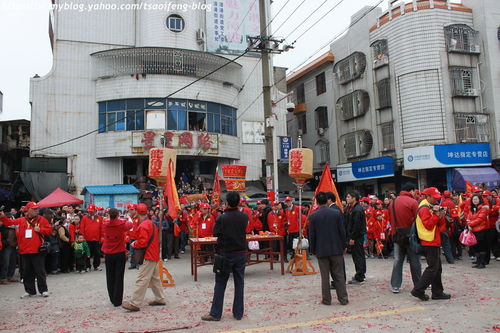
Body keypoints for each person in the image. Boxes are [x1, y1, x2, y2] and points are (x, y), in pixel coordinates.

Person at [201, 192, 248, 321]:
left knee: (220, 283)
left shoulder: (222, 218)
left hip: (226, 254)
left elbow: (215, 233)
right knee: (239, 283)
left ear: (227, 202)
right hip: (240, 253)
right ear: (238, 202)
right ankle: (238, 313)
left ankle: (216, 313)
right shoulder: (244, 216)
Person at [0, 202, 52, 298]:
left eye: (37, 209)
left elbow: (49, 230)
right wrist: (3, 216)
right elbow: (9, 223)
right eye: (34, 209)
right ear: (28, 210)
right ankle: (29, 291)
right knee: (26, 273)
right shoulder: (21, 220)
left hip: (37, 251)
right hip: (24, 251)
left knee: (40, 272)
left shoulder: (42, 220)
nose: (36, 210)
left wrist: (40, 229)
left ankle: (43, 290)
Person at [122, 203, 165, 311]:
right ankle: (160, 298)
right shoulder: (151, 223)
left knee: (142, 279)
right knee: (154, 278)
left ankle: (135, 303)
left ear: (137, 212)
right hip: (153, 254)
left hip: (147, 255)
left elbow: (142, 242)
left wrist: (134, 244)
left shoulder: (143, 225)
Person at [309, 192, 348, 306]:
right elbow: (342, 231)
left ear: (316, 201)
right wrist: (344, 246)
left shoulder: (313, 216)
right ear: (327, 200)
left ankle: (326, 300)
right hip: (336, 248)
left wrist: (313, 250)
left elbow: (312, 235)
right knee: (339, 275)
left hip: (321, 250)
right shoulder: (336, 213)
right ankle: (343, 299)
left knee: (325, 276)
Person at [411, 187, 450, 301]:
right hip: (429, 241)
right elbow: (428, 225)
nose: (437, 200)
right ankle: (418, 290)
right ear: (428, 197)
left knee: (437, 268)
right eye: (435, 198)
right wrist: (437, 215)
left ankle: (437, 292)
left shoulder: (430, 206)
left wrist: (440, 214)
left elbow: (440, 225)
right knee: (433, 268)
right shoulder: (424, 208)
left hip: (433, 240)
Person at [389, 183, 421, 294]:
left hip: (397, 235)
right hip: (410, 235)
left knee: (397, 261)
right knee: (415, 261)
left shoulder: (392, 202)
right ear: (411, 191)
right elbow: (418, 220)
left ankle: (395, 285)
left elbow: (391, 220)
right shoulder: (413, 202)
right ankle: (419, 284)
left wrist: (393, 233)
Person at [102, 208, 133, 307]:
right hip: (119, 252)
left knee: (110, 276)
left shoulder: (105, 224)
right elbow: (131, 225)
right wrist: (128, 217)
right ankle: (117, 300)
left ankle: (112, 298)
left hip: (108, 253)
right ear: (117, 215)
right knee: (119, 277)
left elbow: (106, 222)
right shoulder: (122, 224)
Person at [344, 191, 366, 284]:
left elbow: (356, 226)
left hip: (357, 236)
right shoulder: (349, 208)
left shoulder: (357, 209)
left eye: (349, 197)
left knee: (358, 256)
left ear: (354, 198)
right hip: (352, 235)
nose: (347, 198)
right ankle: (359, 273)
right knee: (356, 256)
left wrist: (352, 237)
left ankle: (360, 276)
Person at [465, 194, 489, 269]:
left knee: (481, 247)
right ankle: (478, 262)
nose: (475, 201)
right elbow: (468, 218)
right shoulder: (471, 208)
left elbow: (479, 219)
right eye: (473, 199)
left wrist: (469, 224)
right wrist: (469, 224)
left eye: (476, 199)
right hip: (473, 231)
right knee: (475, 247)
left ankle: (482, 263)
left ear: (480, 200)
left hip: (481, 231)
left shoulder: (483, 209)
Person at [80, 204, 103, 271]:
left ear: (95, 211)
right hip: (87, 239)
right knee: (87, 253)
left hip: (96, 239)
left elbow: (102, 228)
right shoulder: (84, 218)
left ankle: (96, 266)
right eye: (89, 211)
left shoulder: (99, 218)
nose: (90, 212)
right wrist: (83, 237)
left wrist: (102, 237)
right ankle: (88, 266)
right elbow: (82, 228)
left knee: (97, 253)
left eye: (92, 211)